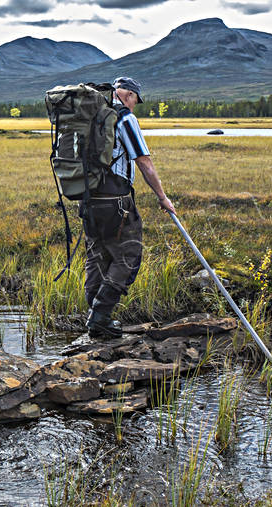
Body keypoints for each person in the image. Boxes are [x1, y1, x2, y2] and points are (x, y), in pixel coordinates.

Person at [84, 76, 176, 338]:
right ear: (128, 95)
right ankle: (100, 317)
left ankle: (96, 318)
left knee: (97, 255)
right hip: (116, 200)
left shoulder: (88, 116)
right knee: (128, 254)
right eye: (136, 99)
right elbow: (144, 161)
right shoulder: (124, 118)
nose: (136, 105)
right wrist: (162, 197)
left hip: (88, 199)